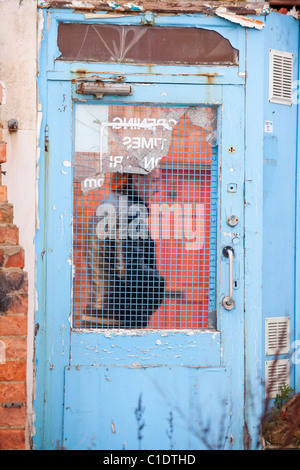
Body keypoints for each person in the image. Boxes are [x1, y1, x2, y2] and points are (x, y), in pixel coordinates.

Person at [83, 167, 165, 328]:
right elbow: (130, 269)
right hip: (119, 319)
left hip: (102, 314)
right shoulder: (129, 211)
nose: (157, 188)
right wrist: (159, 283)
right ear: (136, 180)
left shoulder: (110, 204)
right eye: (154, 180)